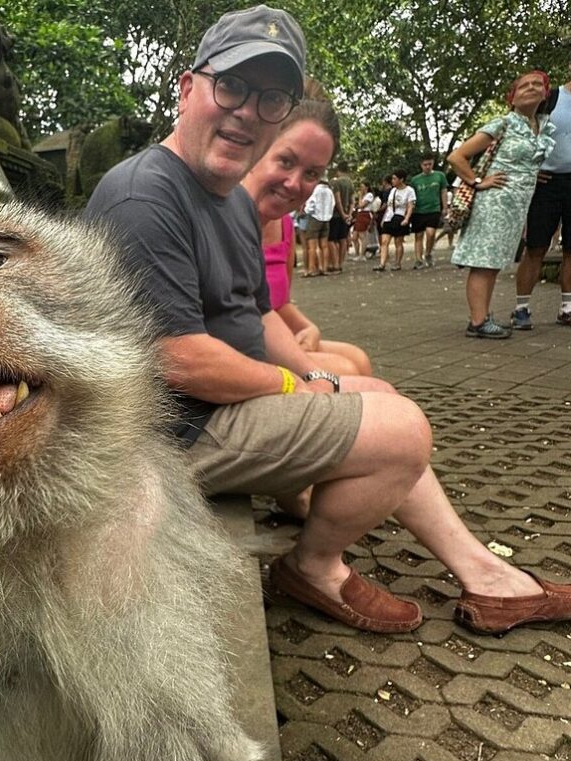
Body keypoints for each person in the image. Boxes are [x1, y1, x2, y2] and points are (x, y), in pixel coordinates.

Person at [85, 5, 571, 636]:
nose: (245, 113)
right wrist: (297, 387)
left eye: (270, 100)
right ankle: (315, 567)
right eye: (230, 87)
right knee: (401, 428)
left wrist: (321, 378)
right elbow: (180, 358)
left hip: (217, 411)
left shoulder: (227, 196)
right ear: (187, 87)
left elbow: (257, 314)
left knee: (377, 397)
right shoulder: (145, 196)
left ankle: (486, 575)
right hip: (169, 435)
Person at [242, 105, 372, 376]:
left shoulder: (285, 226)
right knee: (345, 370)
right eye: (286, 161)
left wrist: (307, 328)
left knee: (357, 358)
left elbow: (278, 304)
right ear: (260, 148)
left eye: (311, 174)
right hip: (238, 352)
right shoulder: (222, 218)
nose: (293, 183)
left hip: (272, 342)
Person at [449, 71, 555, 339]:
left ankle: (482, 315)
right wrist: (477, 182)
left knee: (493, 262)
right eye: (524, 86)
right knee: (484, 262)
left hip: (515, 207)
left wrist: (531, 172)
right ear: (513, 97)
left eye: (537, 84)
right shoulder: (503, 123)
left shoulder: (541, 126)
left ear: (545, 93)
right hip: (493, 204)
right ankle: (477, 321)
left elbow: (525, 161)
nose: (531, 88)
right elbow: (457, 156)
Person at [512, 67, 571, 330]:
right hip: (546, 183)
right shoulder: (551, 98)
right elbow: (519, 132)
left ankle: (567, 308)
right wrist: (529, 170)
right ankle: (521, 308)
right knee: (535, 247)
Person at [409, 153, 449, 268]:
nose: (427, 166)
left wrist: (445, 207)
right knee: (419, 235)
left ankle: (428, 253)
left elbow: (443, 191)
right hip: (418, 211)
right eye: (425, 164)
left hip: (434, 209)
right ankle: (418, 259)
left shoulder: (440, 176)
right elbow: (411, 196)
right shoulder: (415, 180)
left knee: (431, 233)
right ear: (421, 165)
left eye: (429, 164)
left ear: (433, 163)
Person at [373, 169, 414, 271]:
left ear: (401, 179)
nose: (392, 180)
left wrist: (407, 218)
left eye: (395, 178)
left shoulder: (409, 191)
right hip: (389, 217)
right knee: (384, 241)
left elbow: (410, 206)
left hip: (400, 217)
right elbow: (389, 206)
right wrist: (384, 219)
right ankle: (382, 264)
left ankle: (397, 263)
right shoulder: (393, 190)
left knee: (398, 242)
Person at [302, 175, 333, 275]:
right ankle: (324, 268)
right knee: (324, 245)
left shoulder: (315, 190)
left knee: (312, 246)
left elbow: (311, 204)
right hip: (326, 219)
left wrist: (307, 211)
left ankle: (312, 269)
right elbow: (333, 204)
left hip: (315, 218)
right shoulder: (329, 191)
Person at [328, 160, 354, 272]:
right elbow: (352, 201)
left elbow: (337, 200)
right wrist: (349, 214)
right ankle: (340, 263)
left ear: (338, 170)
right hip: (347, 214)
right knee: (343, 239)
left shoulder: (335, 182)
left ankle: (335, 264)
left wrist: (342, 214)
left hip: (335, 215)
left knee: (331, 240)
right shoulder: (350, 182)